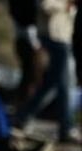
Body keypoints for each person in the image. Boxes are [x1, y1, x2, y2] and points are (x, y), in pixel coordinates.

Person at [13, 0, 76, 142]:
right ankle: (66, 128)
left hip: (62, 36)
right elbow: (45, 5)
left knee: (52, 83)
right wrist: (65, 6)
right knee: (63, 85)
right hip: (54, 36)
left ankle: (23, 117)